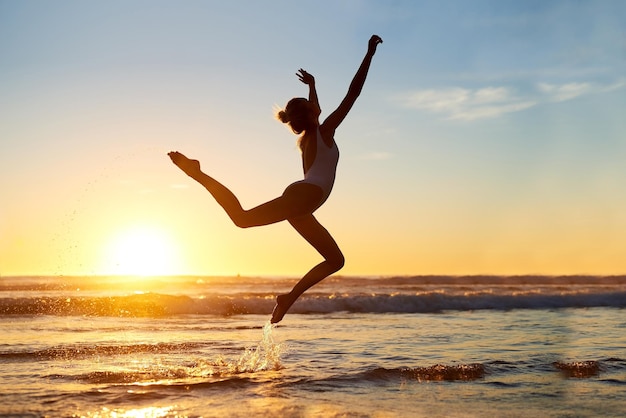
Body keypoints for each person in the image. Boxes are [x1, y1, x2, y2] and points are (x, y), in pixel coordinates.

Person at [169, 35, 383, 323]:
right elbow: (352, 94)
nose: (318, 108)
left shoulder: (311, 137)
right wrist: (368, 54)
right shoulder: (324, 132)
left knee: (335, 260)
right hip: (304, 197)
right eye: (314, 107)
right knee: (242, 218)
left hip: (304, 202)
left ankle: (288, 298)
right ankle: (197, 173)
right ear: (312, 115)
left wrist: (313, 87)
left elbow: (313, 110)